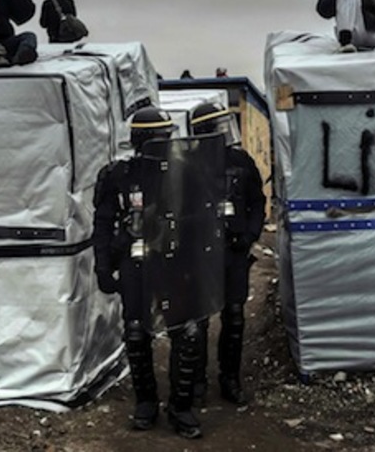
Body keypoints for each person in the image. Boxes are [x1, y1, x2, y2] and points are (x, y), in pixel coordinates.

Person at [90, 107, 207, 439]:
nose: (162, 145)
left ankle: (181, 407)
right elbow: (102, 224)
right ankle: (146, 403)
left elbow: (203, 220)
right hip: (136, 264)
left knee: (185, 334)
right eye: (156, 140)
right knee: (137, 333)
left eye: (165, 139)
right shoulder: (119, 176)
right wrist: (102, 265)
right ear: (140, 142)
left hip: (175, 264)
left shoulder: (185, 173)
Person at [189, 103, 265, 406]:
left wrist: (249, 236)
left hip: (234, 251)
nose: (224, 133)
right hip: (200, 254)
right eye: (217, 128)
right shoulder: (187, 165)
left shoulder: (241, 161)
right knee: (199, 320)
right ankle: (196, 380)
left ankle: (230, 378)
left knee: (234, 317)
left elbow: (257, 202)